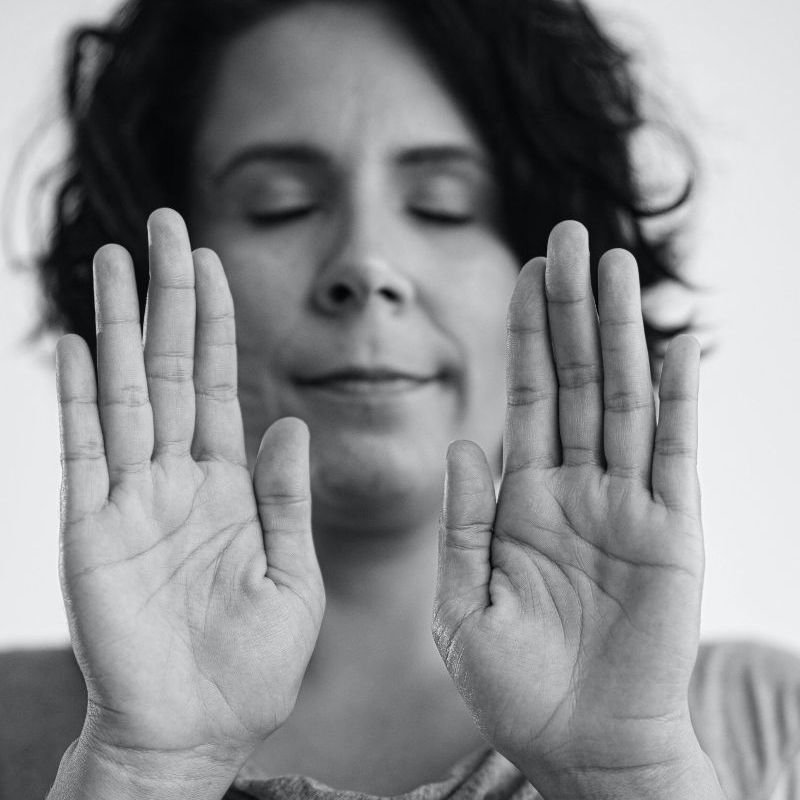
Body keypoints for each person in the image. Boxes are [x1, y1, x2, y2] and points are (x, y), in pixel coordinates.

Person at [3, 1, 800, 799]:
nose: (368, 262)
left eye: (443, 206)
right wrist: (143, 770)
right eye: (281, 203)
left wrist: (628, 775)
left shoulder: (773, 728)